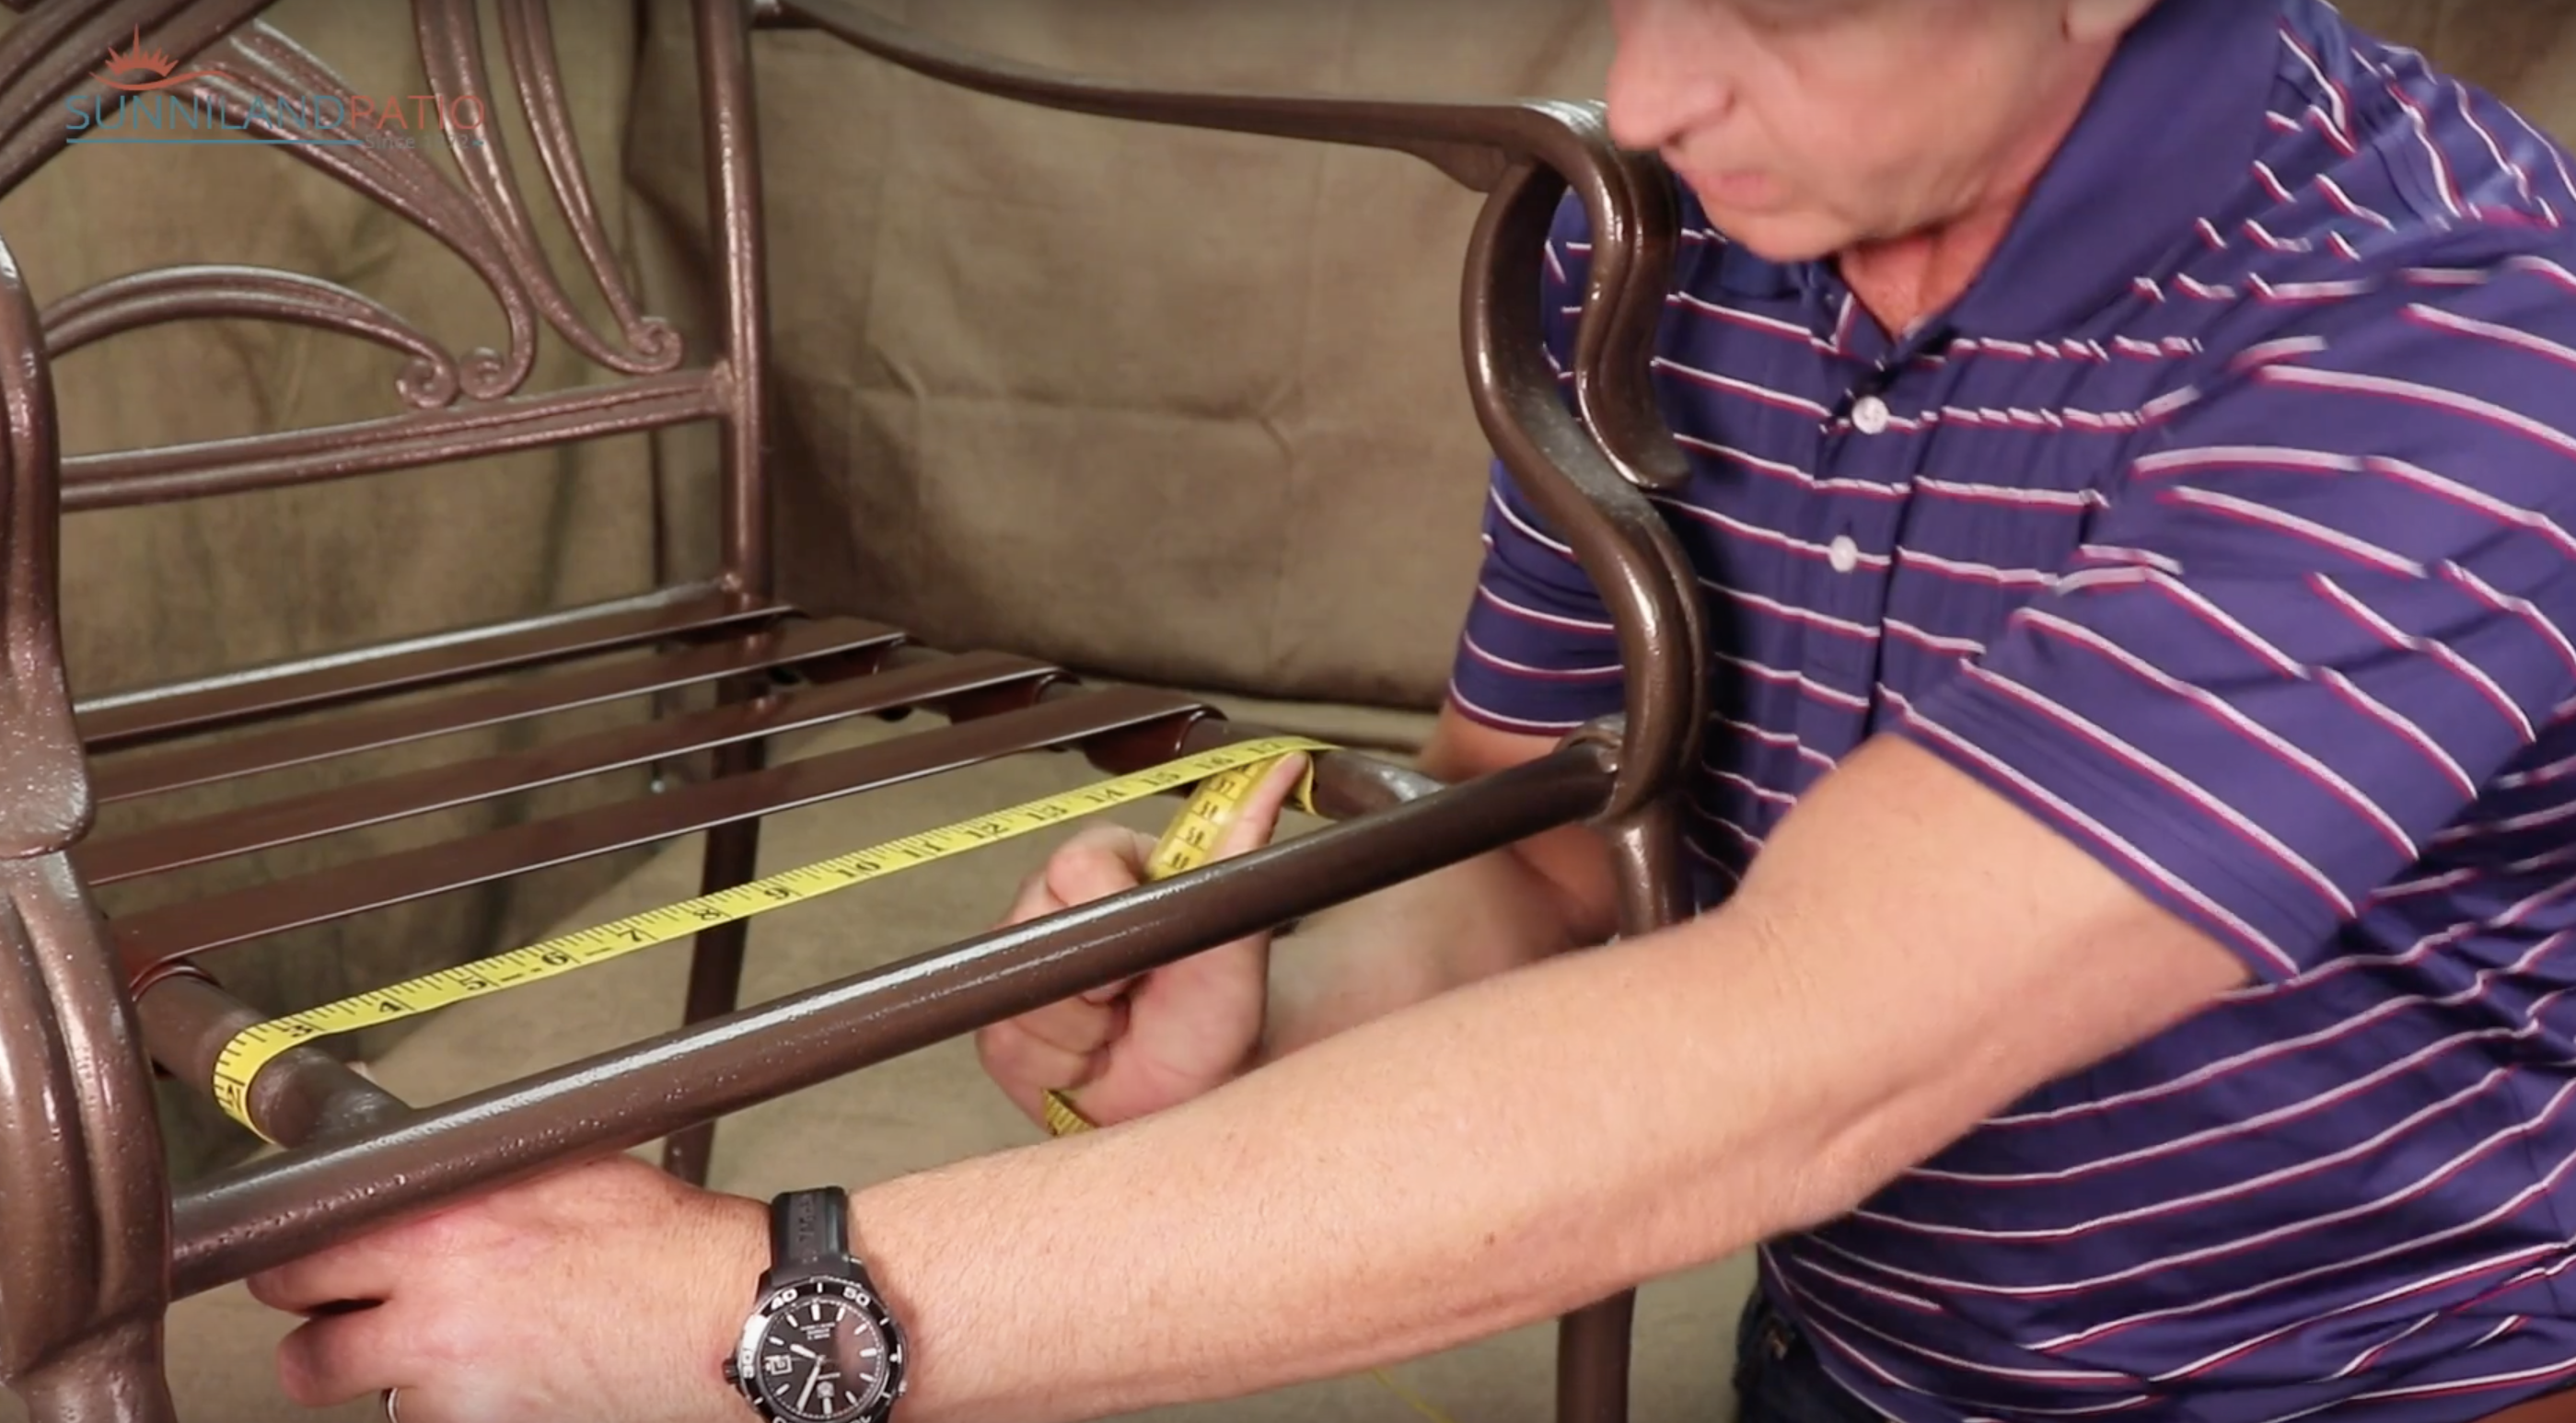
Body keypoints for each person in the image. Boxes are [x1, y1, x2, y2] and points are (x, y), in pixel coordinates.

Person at [245, 0, 2576, 1419]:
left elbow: (1814, 1044)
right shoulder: (1649, 233)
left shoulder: (2453, 334)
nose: (1648, 88)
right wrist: (1277, 975)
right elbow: (1551, 855)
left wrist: (781, 1314)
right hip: (1851, 1370)